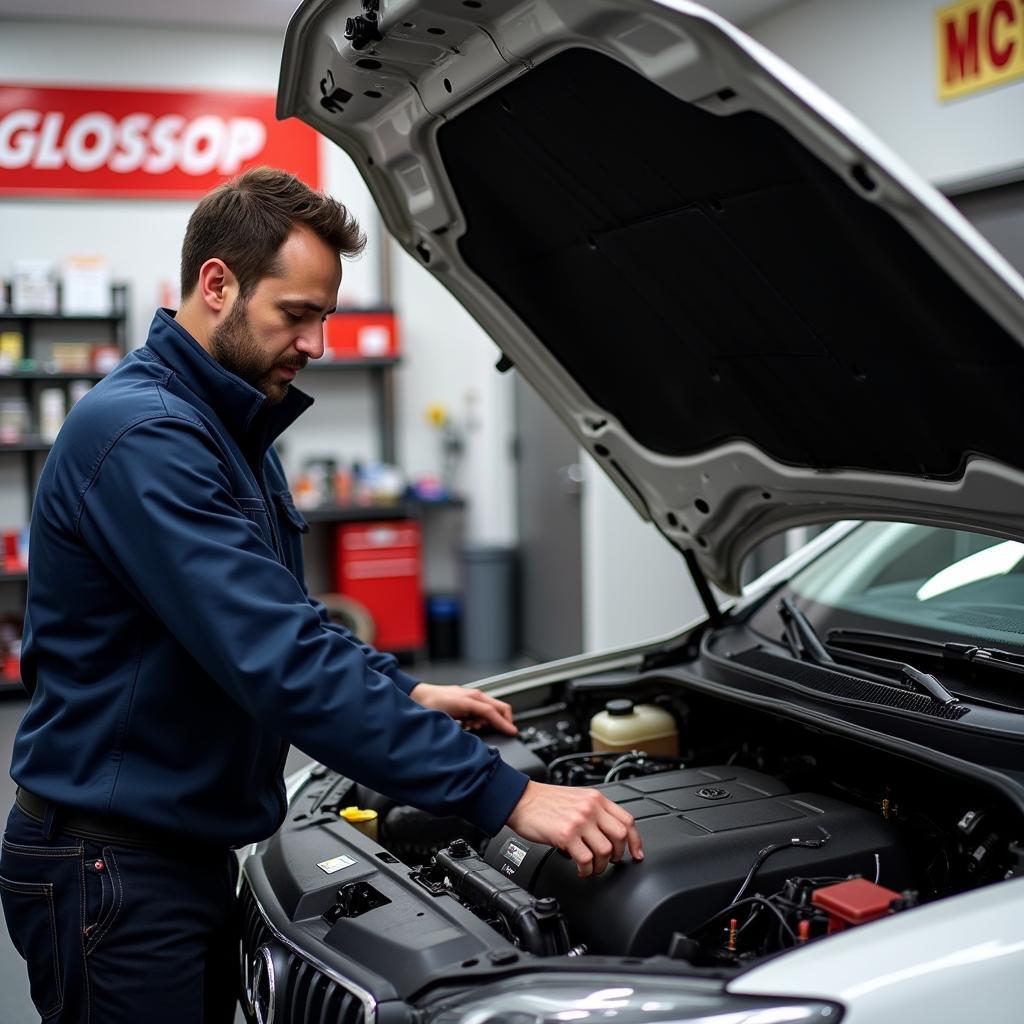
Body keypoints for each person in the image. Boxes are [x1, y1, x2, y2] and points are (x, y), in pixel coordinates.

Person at [0, 167, 642, 1023]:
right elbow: (280, 661)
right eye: (294, 315)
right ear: (216, 284)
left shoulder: (228, 425)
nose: (315, 343)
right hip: (110, 865)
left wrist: (403, 687)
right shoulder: (146, 435)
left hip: (173, 849)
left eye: (324, 318)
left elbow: (288, 620)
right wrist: (508, 796)